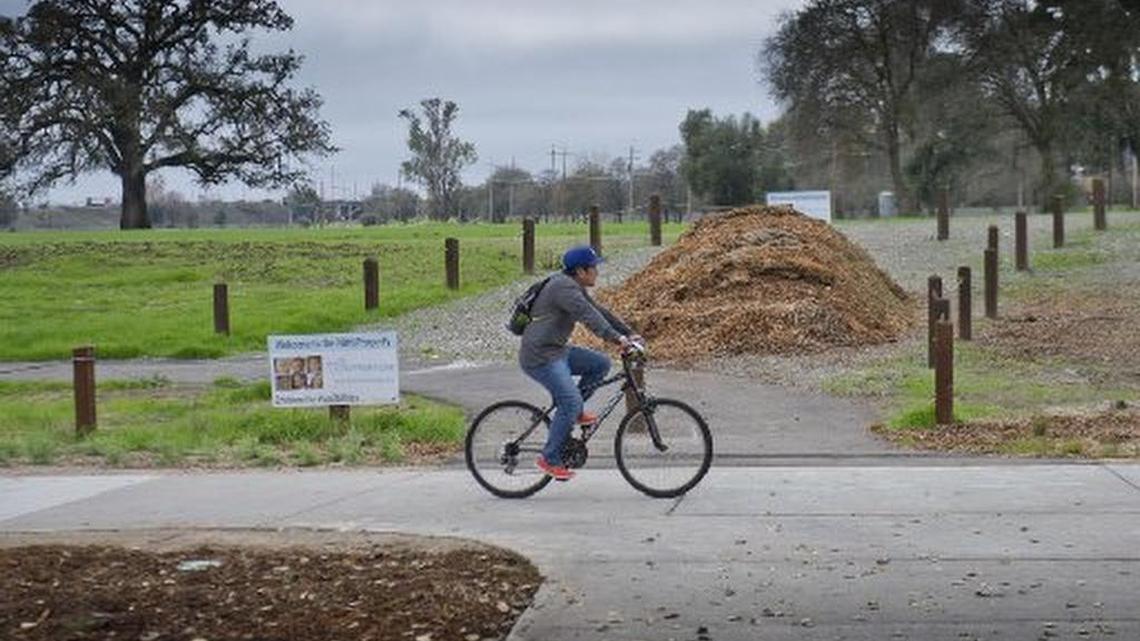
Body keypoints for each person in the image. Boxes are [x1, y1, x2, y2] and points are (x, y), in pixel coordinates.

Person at [520, 245, 640, 481]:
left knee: (600, 365)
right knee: (571, 400)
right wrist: (617, 339)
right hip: (540, 356)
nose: (597, 272)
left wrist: (628, 332)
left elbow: (598, 310)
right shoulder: (564, 289)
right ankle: (549, 458)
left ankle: (571, 411)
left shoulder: (571, 285)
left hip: (557, 350)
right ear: (581, 271)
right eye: (594, 268)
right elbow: (589, 317)